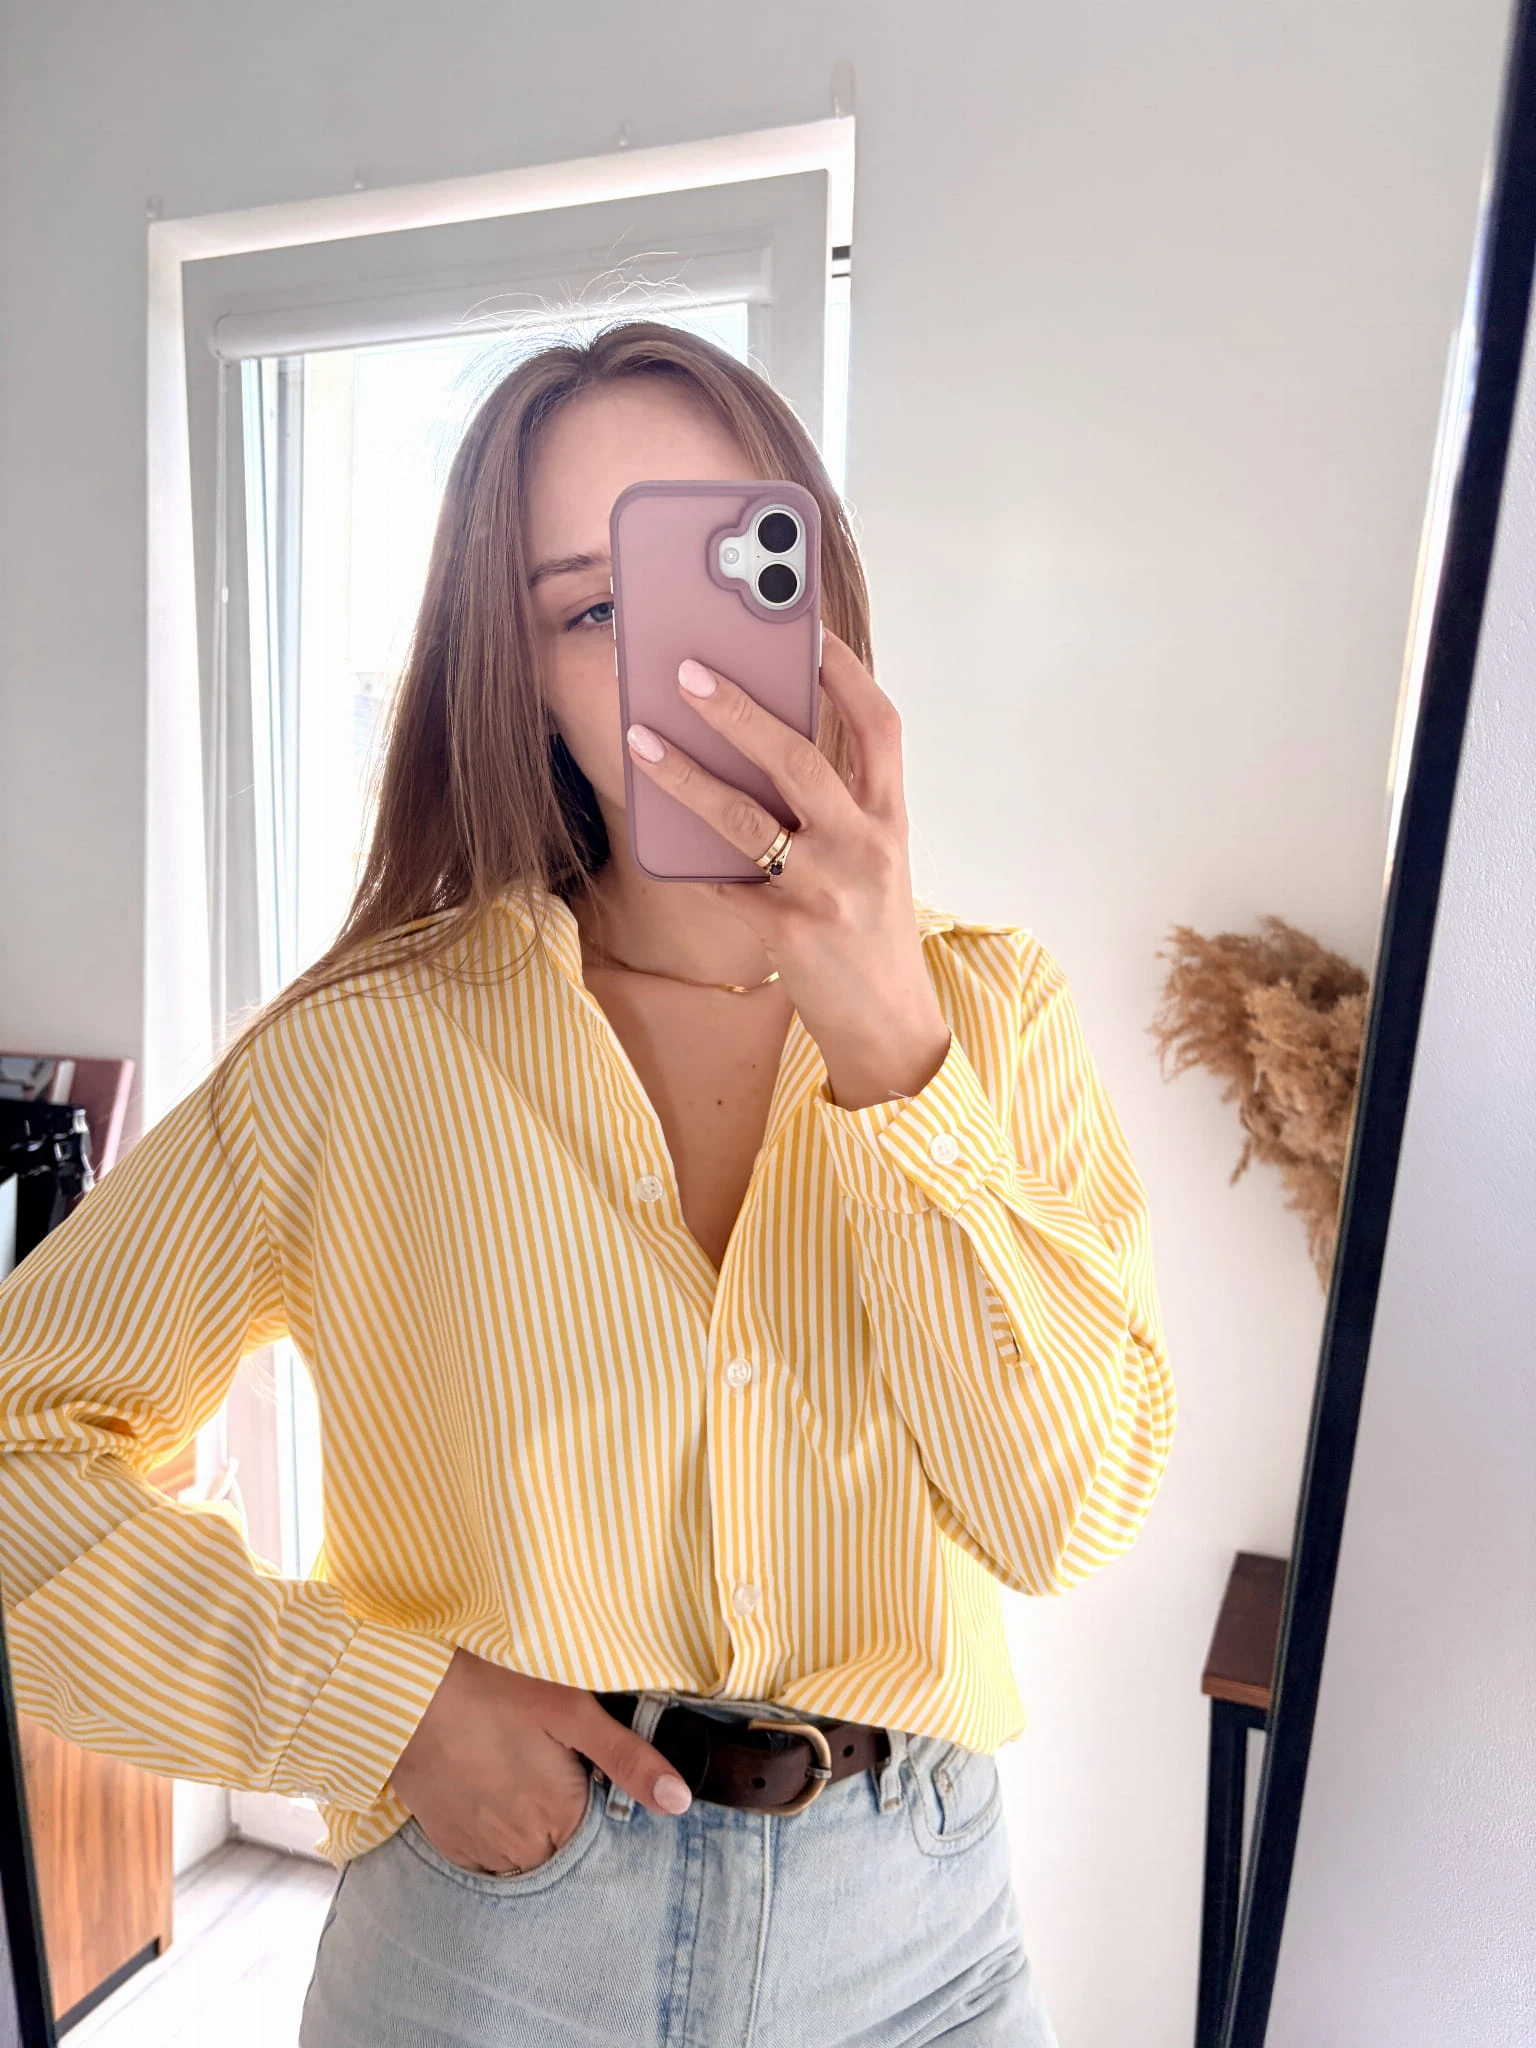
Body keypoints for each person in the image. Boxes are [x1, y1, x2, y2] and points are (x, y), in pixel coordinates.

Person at [0, 322, 1175, 2046]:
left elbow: (1061, 1519)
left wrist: (892, 1054)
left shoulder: (991, 1018)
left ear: (816, 596)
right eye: (592, 608)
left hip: (920, 1953)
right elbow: (20, 1444)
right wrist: (381, 1709)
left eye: (724, 570)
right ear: (523, 674)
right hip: (494, 1945)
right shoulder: (367, 1050)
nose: (674, 667)